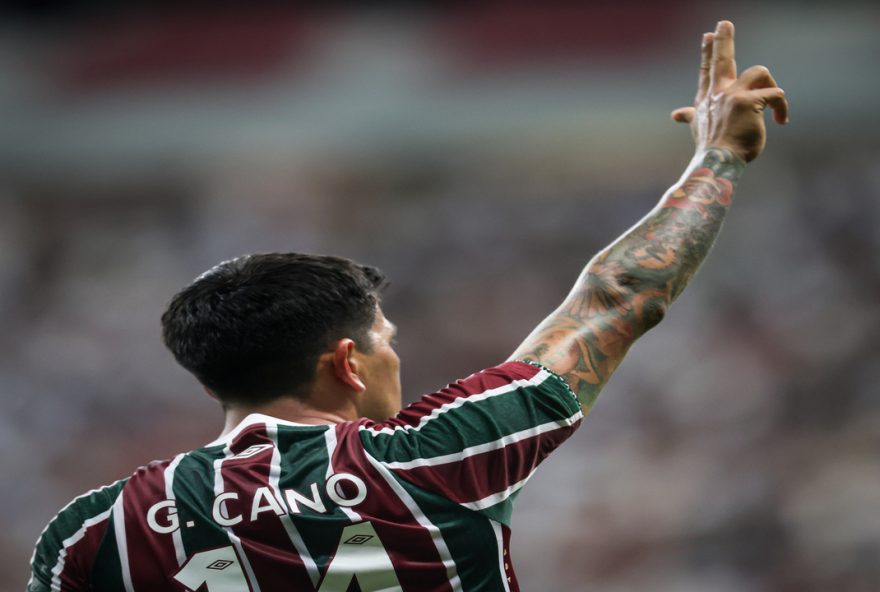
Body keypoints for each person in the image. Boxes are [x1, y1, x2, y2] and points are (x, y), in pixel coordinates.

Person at [28, 20, 788, 592]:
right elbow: (618, 297)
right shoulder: (431, 459)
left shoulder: (93, 535)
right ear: (348, 362)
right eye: (385, 338)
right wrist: (718, 157)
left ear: (208, 380)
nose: (396, 352)